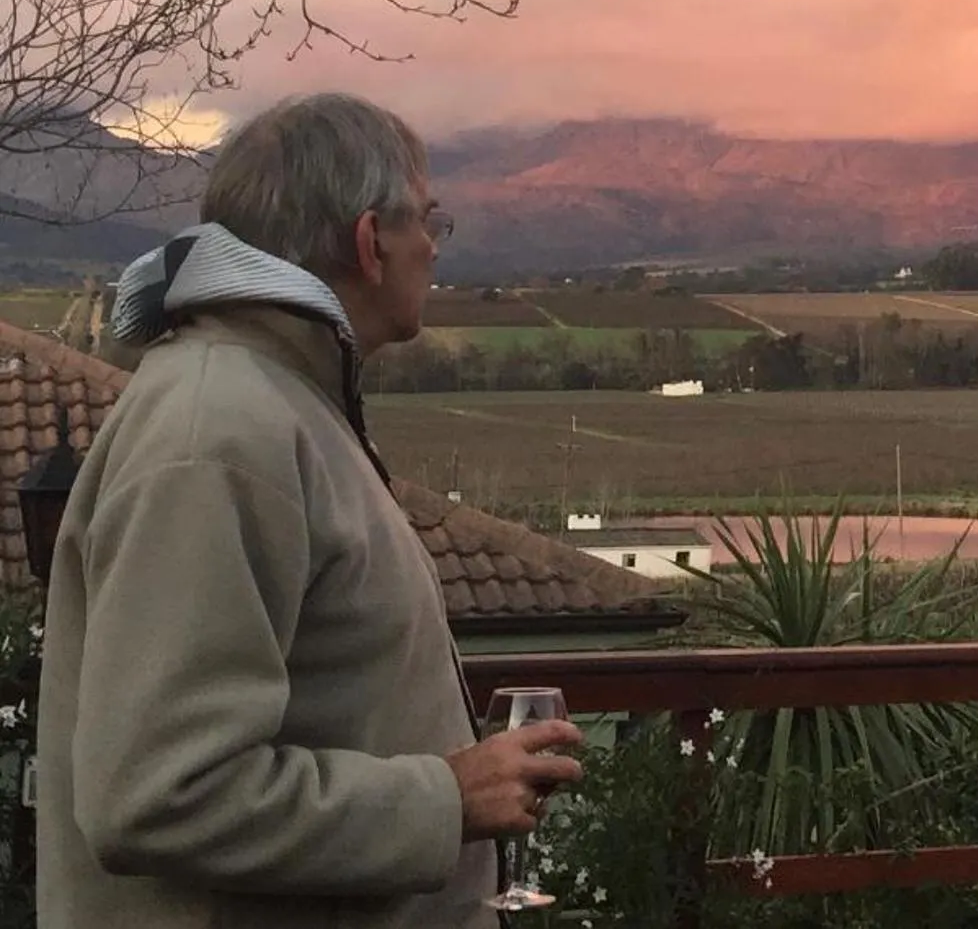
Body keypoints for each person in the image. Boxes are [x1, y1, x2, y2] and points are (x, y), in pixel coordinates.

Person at [35, 94, 584, 927]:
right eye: (428, 222)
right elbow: (158, 792)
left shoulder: (274, 404)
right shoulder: (217, 432)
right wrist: (445, 798)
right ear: (371, 241)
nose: (435, 249)